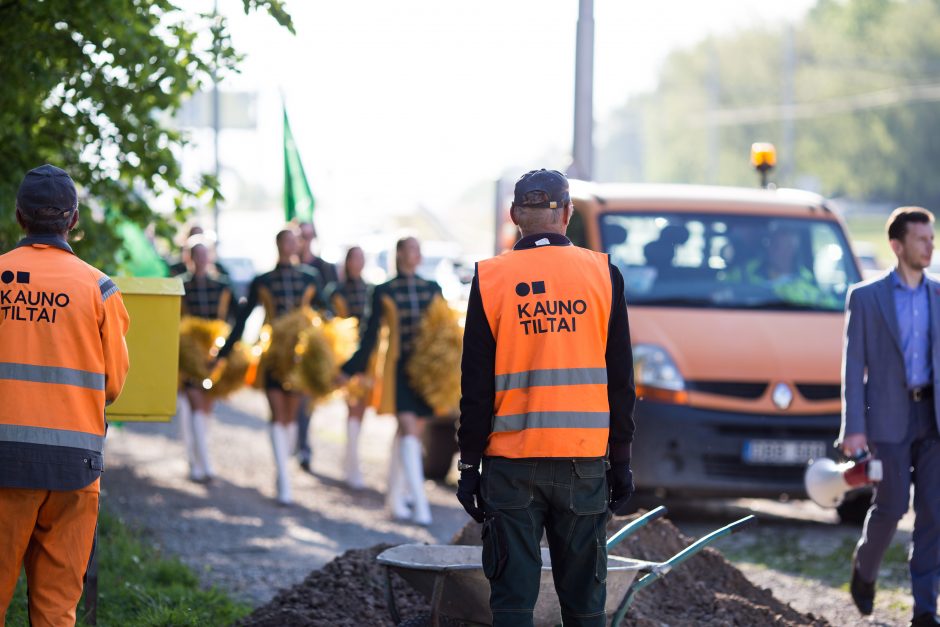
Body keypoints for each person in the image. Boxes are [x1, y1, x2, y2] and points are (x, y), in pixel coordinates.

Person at [455, 169, 636, 627]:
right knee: (584, 606)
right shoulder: (602, 274)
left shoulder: (492, 278)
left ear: (515, 216)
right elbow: (622, 379)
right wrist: (622, 460)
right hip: (583, 464)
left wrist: (469, 465)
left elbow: (474, 386)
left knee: (513, 604)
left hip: (511, 465)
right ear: (568, 214)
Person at [0, 165, 130, 624]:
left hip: (3, 463)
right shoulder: (99, 289)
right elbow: (113, 384)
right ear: (73, 219)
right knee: (57, 610)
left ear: (20, 216)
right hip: (74, 467)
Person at [841, 206, 940, 626]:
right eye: (921, 239)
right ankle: (865, 570)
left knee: (935, 511)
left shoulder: (939, 293)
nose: (930, 245)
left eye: (932, 237)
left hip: (932, 415)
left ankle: (924, 608)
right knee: (893, 505)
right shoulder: (866, 297)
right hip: (886, 417)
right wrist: (854, 429)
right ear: (897, 246)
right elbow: (852, 365)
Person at [341, 236, 443, 525]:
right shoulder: (383, 290)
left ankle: (394, 498)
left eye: (418, 249)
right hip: (399, 370)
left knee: (408, 433)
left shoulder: (432, 289)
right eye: (410, 249)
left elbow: (443, 331)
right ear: (399, 255)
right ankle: (421, 506)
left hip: (426, 372)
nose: (415, 254)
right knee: (410, 430)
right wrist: (349, 369)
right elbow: (370, 335)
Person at [219, 229, 324, 505]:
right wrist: (223, 353)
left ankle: (284, 471)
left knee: (292, 416)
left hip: (300, 357)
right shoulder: (262, 280)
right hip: (273, 355)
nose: (291, 245)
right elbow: (242, 319)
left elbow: (325, 313)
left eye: (294, 241)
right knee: (278, 415)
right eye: (286, 241)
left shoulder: (310, 278)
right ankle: (284, 481)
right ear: (278, 244)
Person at [178, 238, 234, 483]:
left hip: (214, 353)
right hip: (190, 355)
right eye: (196, 255)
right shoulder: (181, 285)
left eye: (204, 254)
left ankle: (196, 459)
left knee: (206, 407)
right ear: (189, 257)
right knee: (196, 404)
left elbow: (232, 320)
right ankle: (203, 463)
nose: (201, 259)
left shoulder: (222, 286)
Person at [295, 220, 337, 473]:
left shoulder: (323, 268)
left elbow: (329, 302)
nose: (305, 241)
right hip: (288, 340)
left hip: (314, 341)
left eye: (309, 236)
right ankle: (297, 441)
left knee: (306, 396)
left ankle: (303, 445)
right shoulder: (288, 268)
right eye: (302, 236)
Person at [329, 246, 372, 489]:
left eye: (361, 258)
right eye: (354, 258)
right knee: (353, 407)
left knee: (359, 408)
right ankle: (351, 464)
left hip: (364, 356)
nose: (358, 262)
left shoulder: (369, 289)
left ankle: (350, 462)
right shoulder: (335, 291)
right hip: (344, 354)